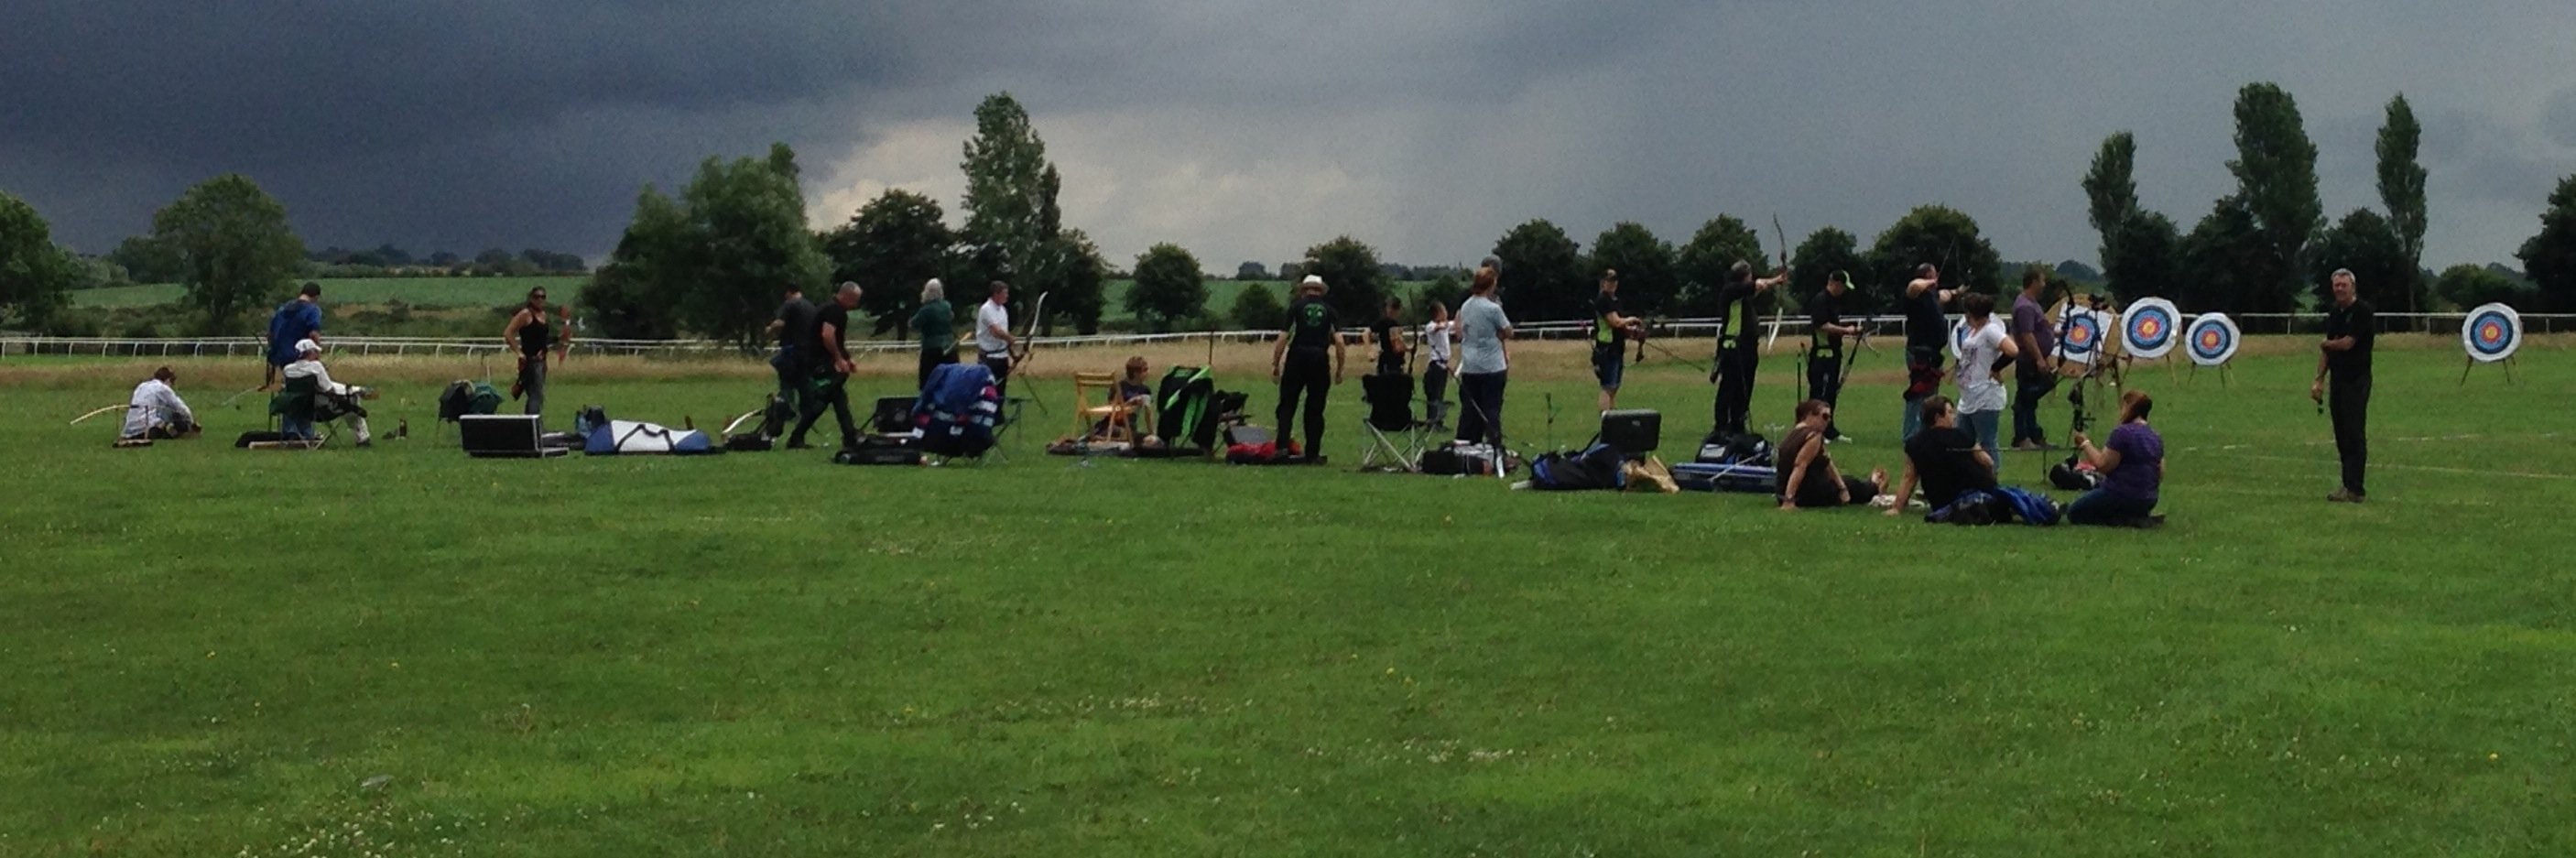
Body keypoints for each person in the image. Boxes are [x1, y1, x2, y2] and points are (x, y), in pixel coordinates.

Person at [2314, 267, 2375, 503]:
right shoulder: (2335, 313)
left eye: (2344, 285)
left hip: (2357, 380)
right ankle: (2346, 483)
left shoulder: (2362, 312)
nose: (2340, 289)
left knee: (2354, 432)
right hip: (2338, 380)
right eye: (2336, 285)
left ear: (2352, 287)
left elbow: (2348, 343)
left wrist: (2326, 343)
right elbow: (2326, 350)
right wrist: (2319, 378)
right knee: (2340, 433)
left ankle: (2356, 488)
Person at [1269, 275, 1345, 461]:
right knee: (1315, 407)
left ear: (1304, 290)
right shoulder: (1330, 311)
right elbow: (1340, 342)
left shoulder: (1295, 308)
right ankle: (1312, 452)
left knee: (1287, 404)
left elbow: (1283, 338)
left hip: (1297, 356)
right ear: (1321, 291)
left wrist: (1276, 363)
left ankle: (1282, 447)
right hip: (1319, 357)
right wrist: (1340, 368)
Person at [1711, 260, 1789, 435]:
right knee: (1730, 387)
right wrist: (1777, 279)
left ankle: (1738, 422)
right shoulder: (1731, 290)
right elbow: (1758, 284)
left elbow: (1757, 288)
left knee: (1745, 387)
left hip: (1746, 347)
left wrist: (1775, 282)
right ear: (1745, 276)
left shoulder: (1741, 296)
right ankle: (1722, 425)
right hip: (1734, 347)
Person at [1886, 396, 1996, 517]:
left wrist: (1897, 508)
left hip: (1941, 503)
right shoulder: (1960, 436)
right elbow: (1987, 461)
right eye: (1950, 413)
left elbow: (1909, 478)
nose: (1954, 417)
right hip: (1975, 495)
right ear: (1938, 417)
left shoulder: (1914, 443)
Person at [2067, 390, 2164, 526]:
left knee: (2075, 512)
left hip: (2120, 494)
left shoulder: (2122, 433)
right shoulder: (2155, 436)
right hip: (2148, 498)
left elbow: (2103, 465)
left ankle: (2120, 519)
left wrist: (2085, 443)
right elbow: (2160, 473)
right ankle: (2136, 516)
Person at [788, 282, 864, 451]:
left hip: (820, 359)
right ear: (847, 296)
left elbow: (837, 339)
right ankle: (797, 436)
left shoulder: (830, 307)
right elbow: (827, 336)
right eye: (855, 300)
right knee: (827, 398)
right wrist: (838, 359)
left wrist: (847, 358)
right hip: (821, 361)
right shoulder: (835, 311)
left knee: (836, 397)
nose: (856, 305)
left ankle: (849, 435)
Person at [1777, 399, 1884, 510]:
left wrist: (1842, 488)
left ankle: (1871, 484)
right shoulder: (1813, 436)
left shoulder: (1793, 433)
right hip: (1806, 495)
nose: (1827, 421)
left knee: (1846, 482)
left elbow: (1827, 462)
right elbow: (1800, 466)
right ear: (1810, 416)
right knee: (1853, 484)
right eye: (1824, 416)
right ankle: (1876, 485)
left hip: (1782, 492)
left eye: (1829, 417)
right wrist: (1789, 500)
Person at [1953, 291, 2017, 471]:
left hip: (1985, 395)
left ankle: (1992, 479)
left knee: (1987, 441)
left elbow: (2012, 350)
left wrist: (1996, 368)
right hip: (1969, 395)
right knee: (1963, 441)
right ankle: (1966, 478)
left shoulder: (1990, 330)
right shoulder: (1974, 330)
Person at [1453, 265, 1514, 448]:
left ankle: (1467, 443)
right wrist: (1499, 334)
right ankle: (1494, 444)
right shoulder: (1492, 308)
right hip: (1492, 365)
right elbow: (1508, 331)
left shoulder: (1466, 306)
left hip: (1470, 365)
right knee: (1491, 408)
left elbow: (1461, 332)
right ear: (1491, 284)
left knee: (1470, 408)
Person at [1900, 263, 1960, 441]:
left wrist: (1958, 291)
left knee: (1931, 396)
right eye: (1933, 275)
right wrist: (1931, 282)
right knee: (1918, 393)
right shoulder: (1915, 295)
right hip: (1920, 352)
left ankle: (1926, 432)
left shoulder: (1932, 295)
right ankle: (1911, 435)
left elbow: (1946, 295)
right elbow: (1914, 286)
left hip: (1933, 353)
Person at [279, 339, 374, 446]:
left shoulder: (288, 369)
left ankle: (355, 390)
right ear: (310, 352)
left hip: (299, 409)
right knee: (351, 401)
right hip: (320, 409)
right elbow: (329, 389)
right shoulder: (316, 366)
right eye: (315, 352)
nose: (317, 354)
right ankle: (362, 438)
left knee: (348, 396)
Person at [1805, 270, 1861, 441]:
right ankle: (1815, 430)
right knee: (1819, 395)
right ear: (1835, 283)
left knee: (1830, 394)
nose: (1843, 290)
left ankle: (1829, 429)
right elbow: (1822, 325)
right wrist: (1846, 330)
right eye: (1843, 286)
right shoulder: (1820, 300)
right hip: (1822, 355)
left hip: (1834, 354)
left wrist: (1851, 330)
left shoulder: (1833, 302)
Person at [2009, 267, 2060, 451]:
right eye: (2042, 281)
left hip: (2034, 359)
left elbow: (2040, 328)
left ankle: (2033, 435)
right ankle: (2022, 438)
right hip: (2028, 360)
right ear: (2034, 282)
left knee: (2031, 400)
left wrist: (2056, 333)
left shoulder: (2033, 304)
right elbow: (2027, 335)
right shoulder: (2024, 306)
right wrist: (2039, 358)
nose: (2044, 284)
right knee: (2024, 398)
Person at [502, 286, 566, 419]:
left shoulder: (543, 315)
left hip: (541, 359)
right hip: (530, 360)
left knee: (535, 394)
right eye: (537, 297)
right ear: (531, 298)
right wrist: (519, 352)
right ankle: (534, 425)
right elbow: (508, 333)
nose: (540, 300)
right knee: (536, 395)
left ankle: (528, 424)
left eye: (543, 297)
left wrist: (558, 338)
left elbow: (542, 339)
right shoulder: (525, 314)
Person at [1591, 268, 1640, 411]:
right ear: (1602, 282)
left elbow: (1620, 326)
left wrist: (1632, 331)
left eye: (1614, 281)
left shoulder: (1615, 300)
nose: (1613, 284)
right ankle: (1606, 421)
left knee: (1615, 386)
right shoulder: (1602, 300)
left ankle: (1612, 418)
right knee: (1607, 387)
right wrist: (1631, 319)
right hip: (1606, 349)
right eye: (1609, 281)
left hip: (1617, 347)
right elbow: (1615, 322)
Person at [766, 284, 818, 412]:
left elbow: (780, 323)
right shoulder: (811, 307)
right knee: (803, 381)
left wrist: (769, 329)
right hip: (809, 350)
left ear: (789, 293)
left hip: (792, 349)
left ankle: (787, 409)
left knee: (786, 380)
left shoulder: (790, 304)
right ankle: (808, 410)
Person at [263, 282, 323, 390]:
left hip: (279, 355)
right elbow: (313, 334)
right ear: (316, 297)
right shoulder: (312, 310)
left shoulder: (282, 309)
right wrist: (317, 354)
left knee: (289, 383)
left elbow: (270, 335)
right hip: (300, 355)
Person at [120, 366, 198, 441]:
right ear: (168, 380)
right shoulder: (162, 388)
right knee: (177, 420)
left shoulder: (142, 386)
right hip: (147, 427)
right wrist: (192, 422)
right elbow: (180, 407)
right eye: (172, 382)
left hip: (130, 428)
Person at [909, 278, 956, 391]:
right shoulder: (947, 306)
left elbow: (913, 324)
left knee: (928, 380)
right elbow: (952, 317)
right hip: (950, 347)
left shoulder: (926, 309)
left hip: (932, 349)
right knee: (949, 379)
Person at [975, 281, 1017, 400]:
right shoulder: (986, 309)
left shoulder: (1003, 310)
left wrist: (1012, 352)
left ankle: (998, 415)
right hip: (989, 358)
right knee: (987, 390)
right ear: (996, 294)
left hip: (1002, 356)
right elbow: (996, 332)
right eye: (1005, 293)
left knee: (1000, 390)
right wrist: (1010, 338)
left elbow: (1003, 332)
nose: (1007, 296)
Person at [1420, 301, 1457, 429]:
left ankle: (1438, 421)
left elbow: (1454, 324)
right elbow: (1439, 327)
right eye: (1444, 310)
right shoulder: (1430, 326)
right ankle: (1432, 422)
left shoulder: (1445, 326)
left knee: (1440, 394)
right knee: (1434, 394)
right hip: (1435, 365)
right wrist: (1445, 325)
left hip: (1443, 365)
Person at [1369, 297, 1407, 375]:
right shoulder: (1384, 323)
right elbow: (1366, 333)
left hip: (1396, 362)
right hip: (1387, 361)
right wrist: (1370, 351)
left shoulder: (1396, 324)